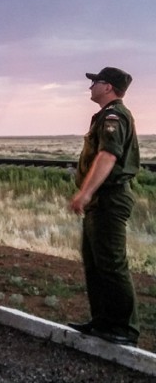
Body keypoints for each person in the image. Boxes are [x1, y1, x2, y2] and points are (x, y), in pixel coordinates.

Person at [68, 67, 140, 347]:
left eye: (95, 82)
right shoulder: (105, 115)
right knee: (95, 261)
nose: (90, 87)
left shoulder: (114, 116)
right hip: (101, 199)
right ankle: (102, 322)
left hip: (110, 198)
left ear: (107, 87)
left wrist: (85, 194)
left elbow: (108, 156)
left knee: (111, 263)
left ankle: (123, 328)